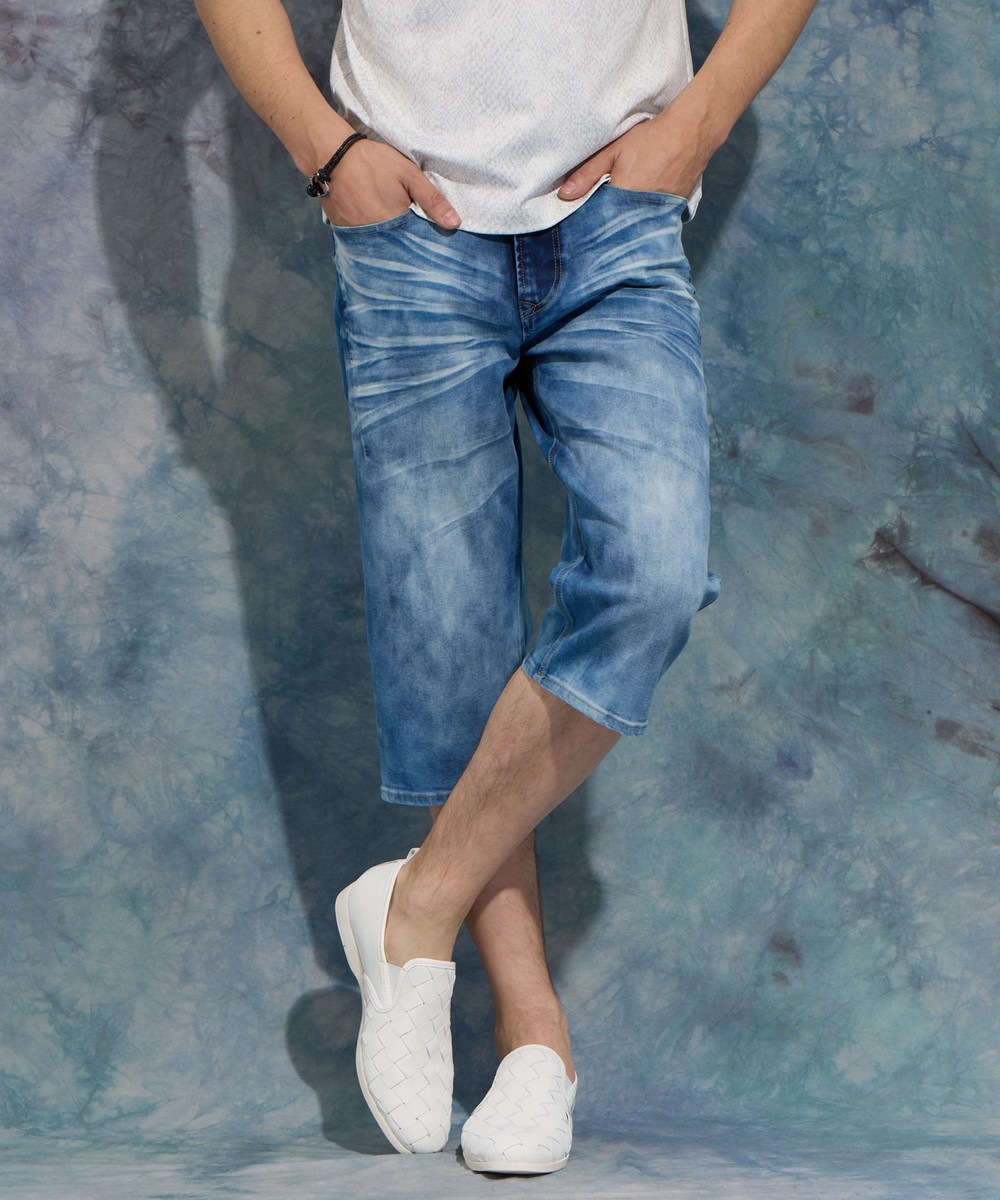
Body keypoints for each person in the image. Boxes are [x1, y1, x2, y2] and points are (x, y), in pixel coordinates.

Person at [195, 0, 817, 1175]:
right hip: (408, 219)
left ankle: (413, 910)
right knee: (450, 637)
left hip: (617, 218)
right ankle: (534, 1042)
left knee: (650, 577)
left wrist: (697, 124)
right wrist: (324, 149)